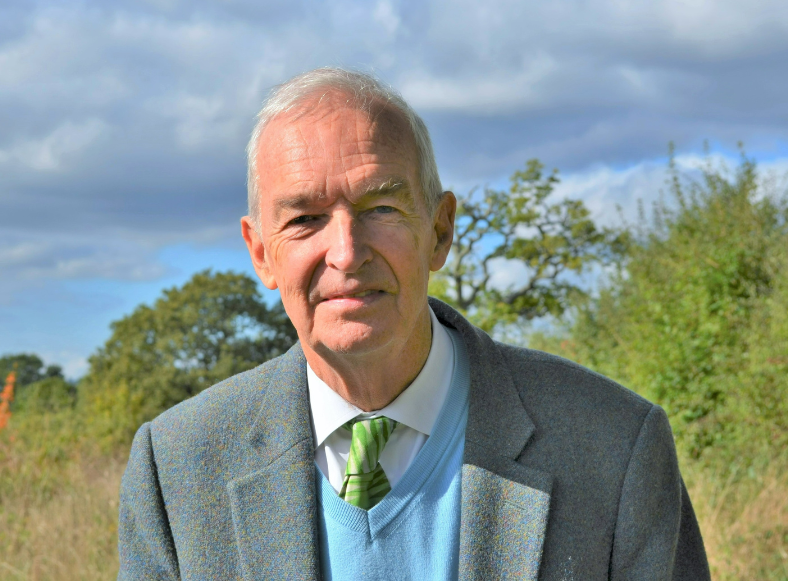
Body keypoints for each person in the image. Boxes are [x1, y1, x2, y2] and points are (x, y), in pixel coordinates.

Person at [117, 68, 711, 580]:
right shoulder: (174, 469)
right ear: (261, 253)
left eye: (380, 208)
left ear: (440, 230)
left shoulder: (615, 446)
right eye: (304, 218)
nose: (346, 252)